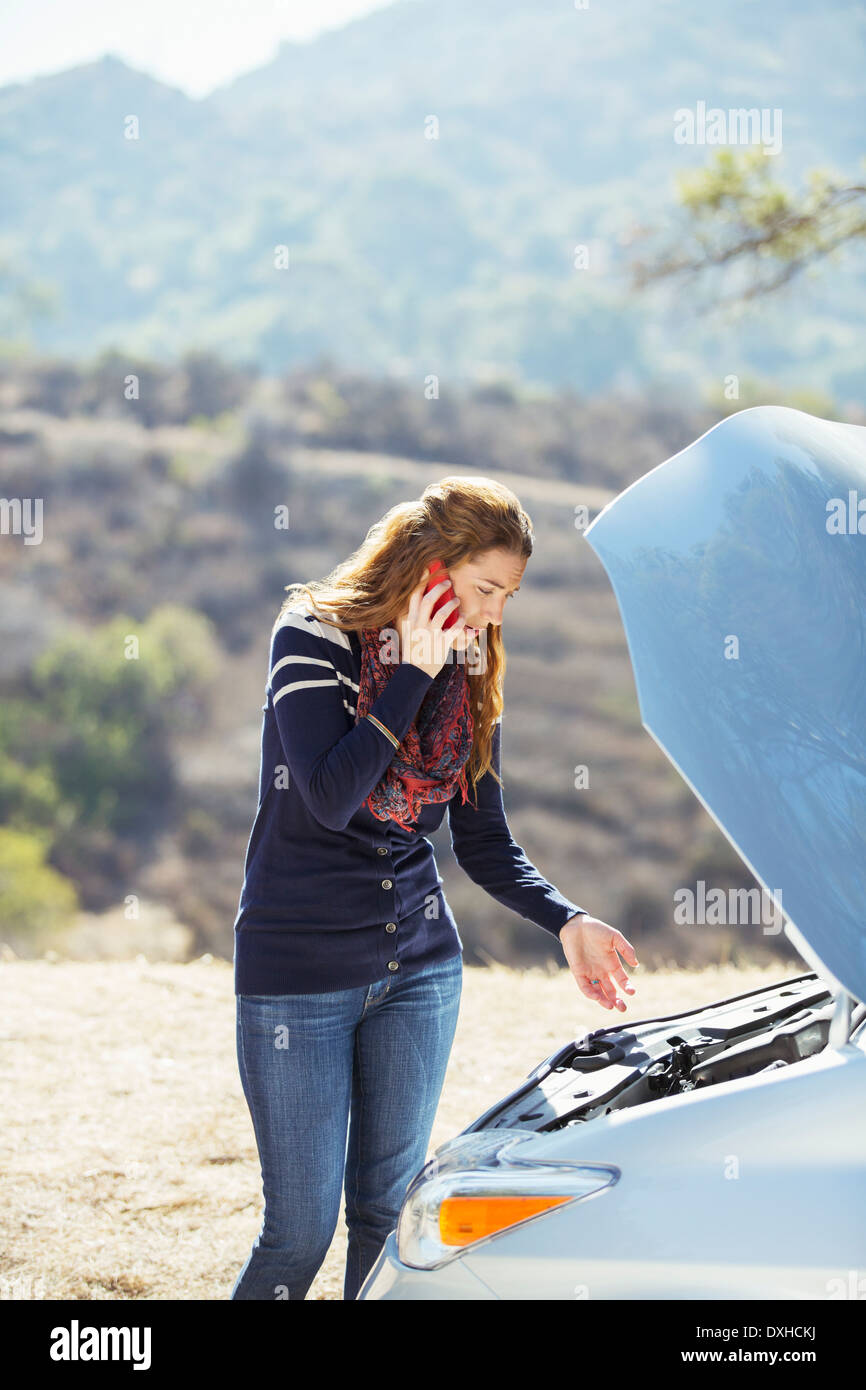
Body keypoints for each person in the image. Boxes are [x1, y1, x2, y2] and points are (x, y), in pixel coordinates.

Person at [229, 474, 638, 1301]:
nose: (492, 616)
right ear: (429, 564)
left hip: (418, 970)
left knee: (388, 1216)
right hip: (298, 973)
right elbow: (331, 796)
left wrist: (565, 922)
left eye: (506, 597)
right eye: (485, 589)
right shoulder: (311, 632)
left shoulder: (475, 663)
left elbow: (482, 839)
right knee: (298, 1234)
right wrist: (412, 671)